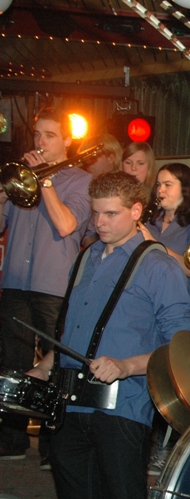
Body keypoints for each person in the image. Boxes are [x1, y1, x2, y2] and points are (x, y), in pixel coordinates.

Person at [27, 171, 190, 499]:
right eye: (95, 213)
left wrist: (127, 365)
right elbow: (73, 330)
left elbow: (182, 346)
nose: (99, 223)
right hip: (70, 403)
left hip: (122, 408)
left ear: (136, 211)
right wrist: (45, 366)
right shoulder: (86, 257)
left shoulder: (159, 266)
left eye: (111, 214)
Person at [0, 107, 93, 463]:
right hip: (16, 281)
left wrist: (45, 181)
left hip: (54, 285)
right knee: (13, 362)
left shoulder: (80, 181)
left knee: (57, 365)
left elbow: (67, 225)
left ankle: (54, 446)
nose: (40, 141)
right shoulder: (20, 177)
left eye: (50, 135)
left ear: (67, 140)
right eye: (38, 134)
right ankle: (12, 438)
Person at [140, 163, 190, 326]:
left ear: (184, 188)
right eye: (158, 185)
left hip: (179, 306)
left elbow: (188, 268)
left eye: (168, 185)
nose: (160, 190)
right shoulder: (150, 220)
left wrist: (154, 244)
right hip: (148, 303)